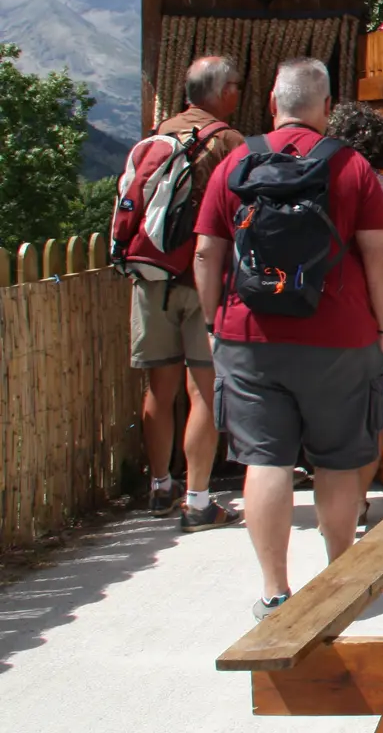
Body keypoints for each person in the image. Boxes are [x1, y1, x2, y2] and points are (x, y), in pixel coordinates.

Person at [193, 58, 383, 620]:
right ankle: (340, 584)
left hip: (248, 335)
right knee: (335, 463)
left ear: (271, 103)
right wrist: (379, 327)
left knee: (266, 461)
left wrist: (214, 325)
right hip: (340, 335)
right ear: (327, 108)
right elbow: (378, 256)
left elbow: (207, 252)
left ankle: (276, 592)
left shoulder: (234, 161)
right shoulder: (352, 167)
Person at [128, 55, 248, 530]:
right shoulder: (227, 142)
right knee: (202, 389)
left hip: (151, 278)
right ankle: (198, 501)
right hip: (203, 282)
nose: (239, 93)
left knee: (158, 388)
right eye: (236, 86)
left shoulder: (153, 138)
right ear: (220, 93)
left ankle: (160, 487)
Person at [324, 101, 383, 502]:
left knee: (326, 412)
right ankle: (358, 498)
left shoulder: (325, 188)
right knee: (371, 414)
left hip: (326, 315)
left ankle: (333, 498)